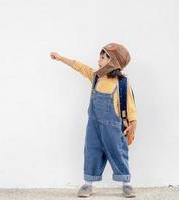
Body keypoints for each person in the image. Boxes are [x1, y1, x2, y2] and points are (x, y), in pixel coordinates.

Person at [50, 43, 137, 198]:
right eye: (100, 57)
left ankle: (126, 183)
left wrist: (133, 125)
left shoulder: (122, 83)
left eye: (103, 57)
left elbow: (131, 108)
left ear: (113, 62)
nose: (99, 60)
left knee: (118, 152)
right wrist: (61, 58)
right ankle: (88, 183)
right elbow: (80, 67)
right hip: (94, 126)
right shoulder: (96, 77)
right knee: (91, 151)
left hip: (114, 127)